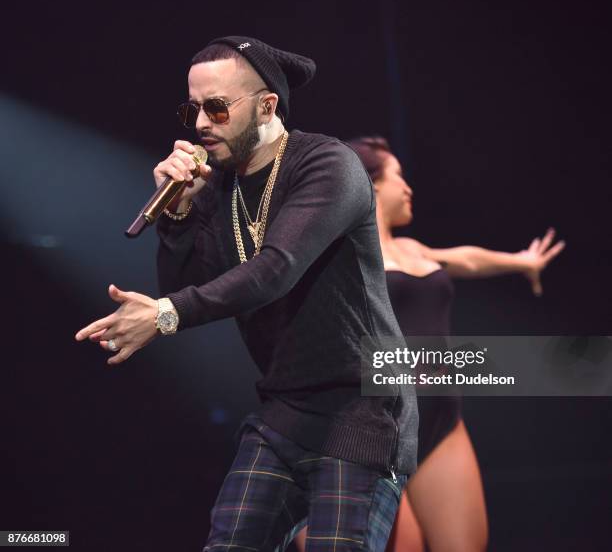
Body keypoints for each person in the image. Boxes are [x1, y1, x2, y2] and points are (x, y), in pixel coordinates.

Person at [75, 38, 419, 551]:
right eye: (192, 109)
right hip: (283, 408)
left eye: (216, 107)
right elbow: (186, 289)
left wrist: (166, 315)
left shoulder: (328, 165)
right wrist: (178, 214)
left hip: (360, 408)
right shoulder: (221, 190)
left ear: (267, 105)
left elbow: (275, 270)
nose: (200, 124)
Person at [351, 136, 564, 551]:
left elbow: (466, 259)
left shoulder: (412, 248)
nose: (408, 187)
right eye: (399, 176)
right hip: (383, 422)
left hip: (442, 415)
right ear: (373, 184)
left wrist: (524, 262)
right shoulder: (348, 250)